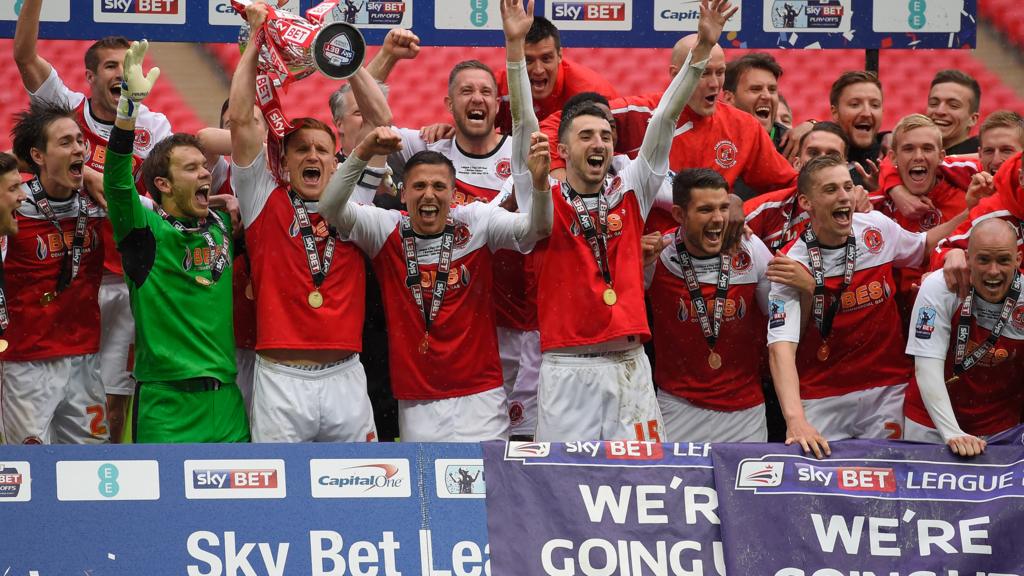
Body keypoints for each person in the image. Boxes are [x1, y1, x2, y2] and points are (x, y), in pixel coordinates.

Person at [507, 0, 736, 440]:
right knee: (564, 490)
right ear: (564, 148)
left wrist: (703, 48)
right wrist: (514, 45)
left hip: (631, 368)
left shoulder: (632, 187)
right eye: (587, 135)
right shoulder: (541, 191)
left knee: (644, 483)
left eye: (607, 135)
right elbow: (522, 120)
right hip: (567, 370)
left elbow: (666, 116)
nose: (600, 143)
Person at [319, 126, 552, 442]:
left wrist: (539, 186)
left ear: (453, 194)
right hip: (418, 400)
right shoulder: (384, 228)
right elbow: (330, 208)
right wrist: (362, 151)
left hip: (482, 395)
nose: (429, 194)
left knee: (487, 488)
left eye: (439, 186)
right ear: (403, 194)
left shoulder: (477, 221)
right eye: (419, 186)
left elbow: (537, 228)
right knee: (429, 489)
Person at [14, 0, 173, 442]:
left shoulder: (154, 124)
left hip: (124, 279)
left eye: (128, 64)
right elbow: (25, 56)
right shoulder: (67, 109)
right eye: (110, 65)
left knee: (113, 396)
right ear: (89, 77)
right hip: (75, 274)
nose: (121, 72)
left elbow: (161, 190)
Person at [229, 0, 387, 442]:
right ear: (284, 159)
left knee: (360, 496)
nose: (314, 156)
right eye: (301, 149)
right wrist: (257, 37)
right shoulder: (262, 195)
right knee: (279, 500)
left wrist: (348, 59)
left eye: (323, 148)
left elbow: (380, 120)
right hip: (282, 379)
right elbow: (242, 118)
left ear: (337, 161)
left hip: (346, 376)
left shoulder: (351, 195)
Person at [767, 154, 967, 458]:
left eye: (848, 186)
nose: (844, 196)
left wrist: (973, 211)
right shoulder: (791, 263)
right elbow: (781, 349)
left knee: (894, 483)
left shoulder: (875, 229)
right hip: (823, 396)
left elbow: (923, 246)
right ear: (806, 203)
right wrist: (795, 420)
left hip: (888, 389)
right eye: (831, 189)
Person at [104, 40, 248, 443]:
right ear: (162, 184)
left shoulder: (221, 223)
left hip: (227, 402)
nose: (206, 174)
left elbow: (253, 148)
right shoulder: (144, 233)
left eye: (204, 167)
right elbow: (116, 181)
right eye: (192, 168)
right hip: (166, 405)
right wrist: (129, 107)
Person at [539, 28, 796, 213]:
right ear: (676, 75)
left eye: (720, 73)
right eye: (703, 72)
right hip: (645, 252)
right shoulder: (641, 112)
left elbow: (791, 185)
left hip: (710, 258)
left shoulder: (744, 127)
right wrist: (560, 176)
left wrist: (744, 207)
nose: (715, 83)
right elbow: (556, 124)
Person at [3, 101, 108, 445]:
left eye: (80, 141)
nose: (78, 148)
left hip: (85, 359)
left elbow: (160, 210)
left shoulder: (98, 201)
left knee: (93, 465)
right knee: (29, 474)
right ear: (37, 155)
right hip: (27, 364)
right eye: (65, 142)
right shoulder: (14, 206)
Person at [648, 169, 773, 442]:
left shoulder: (751, 250)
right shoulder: (659, 255)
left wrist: (806, 290)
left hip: (746, 412)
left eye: (723, 208)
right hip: (677, 407)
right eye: (705, 210)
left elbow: (780, 324)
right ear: (679, 214)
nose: (718, 219)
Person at [905, 219, 1024, 457]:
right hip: (929, 422)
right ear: (967, 258)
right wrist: (952, 432)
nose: (993, 271)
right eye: (983, 260)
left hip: (1001, 426)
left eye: (1003, 260)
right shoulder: (940, 287)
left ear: (1018, 260)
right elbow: (926, 367)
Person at [492, 16, 619, 133]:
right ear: (516, 60)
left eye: (546, 58)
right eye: (528, 60)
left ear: (560, 56)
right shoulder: (499, 85)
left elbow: (608, 147)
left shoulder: (591, 93)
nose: (538, 70)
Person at [744, 121, 854, 252]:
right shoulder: (762, 210)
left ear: (846, 167)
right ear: (796, 164)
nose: (822, 161)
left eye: (832, 156)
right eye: (813, 153)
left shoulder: (863, 208)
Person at [722, 52, 787, 148]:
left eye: (772, 89)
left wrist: (812, 124)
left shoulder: (790, 145)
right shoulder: (714, 136)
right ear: (729, 98)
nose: (767, 96)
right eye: (756, 89)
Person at [927, 69, 981, 155]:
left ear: (972, 119)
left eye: (953, 105)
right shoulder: (912, 157)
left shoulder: (983, 161)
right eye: (934, 103)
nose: (940, 111)